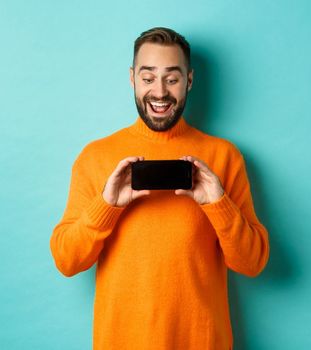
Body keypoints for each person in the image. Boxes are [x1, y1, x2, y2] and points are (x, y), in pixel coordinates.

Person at [49, 27, 270, 349]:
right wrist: (107, 205)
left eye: (172, 78)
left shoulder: (224, 156)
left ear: (189, 81)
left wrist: (218, 203)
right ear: (132, 79)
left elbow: (252, 264)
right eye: (148, 77)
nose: (160, 92)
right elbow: (67, 262)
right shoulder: (95, 156)